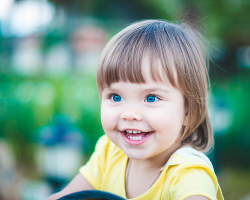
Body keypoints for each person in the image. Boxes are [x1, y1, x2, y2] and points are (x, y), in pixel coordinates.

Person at [47, 20, 224, 200]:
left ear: (187, 110)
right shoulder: (110, 152)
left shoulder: (189, 173)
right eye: (115, 97)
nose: (129, 114)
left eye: (151, 98)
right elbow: (66, 197)